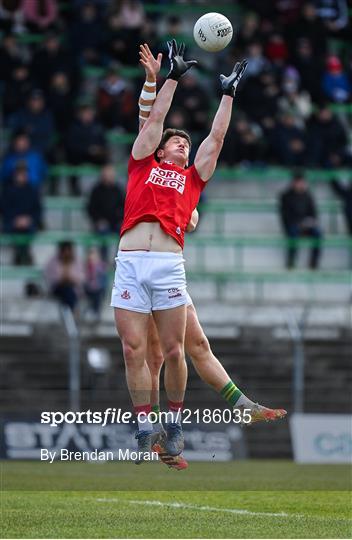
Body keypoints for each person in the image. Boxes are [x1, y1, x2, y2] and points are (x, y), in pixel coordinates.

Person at [111, 39, 284, 463]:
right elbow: (153, 120)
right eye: (176, 142)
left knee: (174, 351)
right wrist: (171, 77)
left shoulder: (192, 179)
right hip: (131, 263)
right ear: (159, 148)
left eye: (186, 144)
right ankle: (146, 428)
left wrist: (227, 94)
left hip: (168, 265)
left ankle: (172, 427)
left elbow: (217, 137)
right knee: (136, 351)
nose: (183, 145)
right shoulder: (142, 162)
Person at [0, 161, 41, 265]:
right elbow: (4, 209)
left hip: (28, 222)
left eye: (24, 173)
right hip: (11, 221)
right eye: (20, 173)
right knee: (16, 229)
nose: (22, 176)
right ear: (15, 174)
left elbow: (37, 210)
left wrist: (28, 219)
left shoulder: (32, 190)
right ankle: (22, 254)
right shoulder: (7, 190)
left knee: (27, 228)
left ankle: (22, 254)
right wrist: (16, 219)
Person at [279, 171, 322, 269]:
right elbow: (285, 216)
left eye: (302, 182)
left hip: (307, 225)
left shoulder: (308, 196)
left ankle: (313, 263)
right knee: (293, 233)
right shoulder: (285, 196)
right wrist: (298, 223)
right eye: (299, 182)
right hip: (293, 225)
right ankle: (291, 261)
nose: (301, 184)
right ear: (293, 183)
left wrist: (311, 222)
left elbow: (314, 213)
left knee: (318, 234)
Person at [87, 163, 125, 260]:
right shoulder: (96, 190)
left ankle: (118, 258)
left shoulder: (118, 190)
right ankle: (104, 260)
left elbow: (123, 207)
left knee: (124, 232)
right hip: (101, 223)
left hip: (115, 222)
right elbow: (91, 208)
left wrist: (120, 219)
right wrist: (98, 220)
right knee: (103, 231)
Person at [45, 241, 84, 312]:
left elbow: (81, 277)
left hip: (73, 288)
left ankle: (68, 312)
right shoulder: (53, 261)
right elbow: (49, 276)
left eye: (68, 250)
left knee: (69, 291)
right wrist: (61, 279)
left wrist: (71, 278)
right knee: (67, 291)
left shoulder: (77, 261)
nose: (66, 253)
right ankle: (72, 311)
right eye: (64, 251)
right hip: (58, 287)